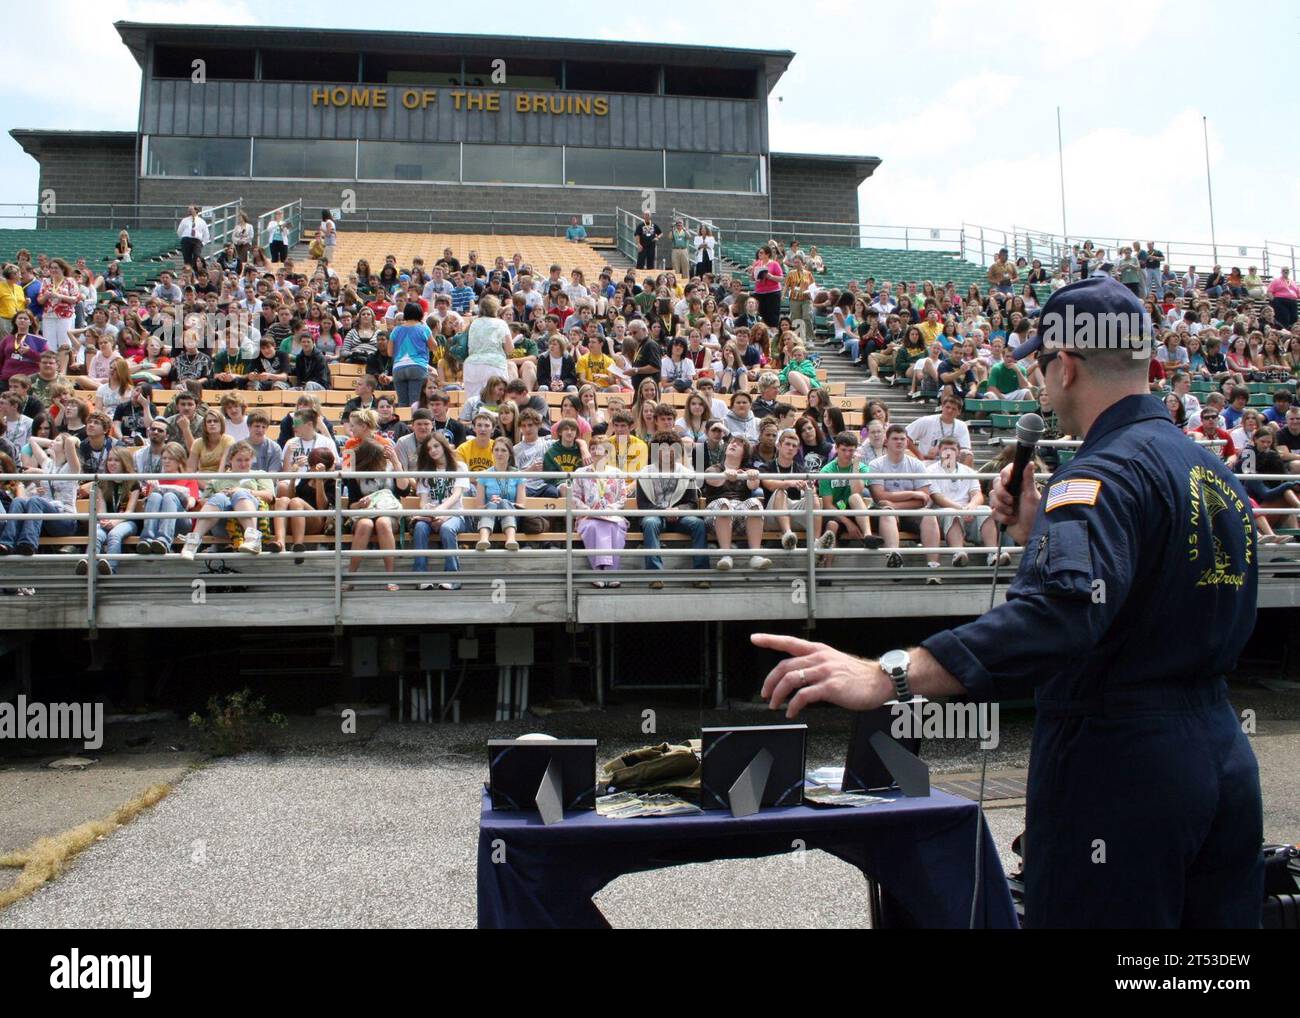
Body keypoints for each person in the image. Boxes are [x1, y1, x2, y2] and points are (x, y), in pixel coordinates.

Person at [755, 276, 1263, 929]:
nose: (1040, 386)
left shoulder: (1095, 475)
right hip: (1221, 759)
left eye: (1042, 367)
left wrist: (893, 674)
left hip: (1122, 766)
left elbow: (1058, 615)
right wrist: (1035, 534)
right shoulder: (1211, 472)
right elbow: (1140, 593)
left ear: (1068, 364)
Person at [637, 434, 710, 587]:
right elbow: (643, 505)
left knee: (698, 524)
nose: (666, 452)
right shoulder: (644, 473)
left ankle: (701, 575)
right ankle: (655, 576)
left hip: (680, 518)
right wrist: (664, 511)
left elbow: (692, 503)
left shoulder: (687, 474)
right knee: (649, 522)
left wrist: (677, 510)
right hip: (656, 516)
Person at [410, 433, 471, 590]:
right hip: (432, 516)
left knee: (447, 528)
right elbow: (423, 501)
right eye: (429, 448)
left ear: (444, 446)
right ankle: (420, 576)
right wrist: (428, 512)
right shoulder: (425, 471)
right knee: (420, 528)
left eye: (436, 446)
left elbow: (456, 496)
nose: (433, 451)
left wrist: (441, 513)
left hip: (455, 514)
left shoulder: (459, 467)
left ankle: (453, 577)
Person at [703, 434, 771, 572]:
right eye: (732, 442)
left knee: (755, 502)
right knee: (724, 503)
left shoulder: (746, 470)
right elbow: (712, 480)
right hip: (715, 515)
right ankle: (725, 555)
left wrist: (753, 475)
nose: (733, 444)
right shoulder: (715, 468)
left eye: (739, 444)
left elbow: (753, 485)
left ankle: (756, 556)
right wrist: (727, 473)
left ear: (744, 454)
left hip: (739, 514)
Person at [571, 433, 628, 587]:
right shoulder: (580, 473)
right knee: (594, 527)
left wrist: (610, 509)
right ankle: (599, 572)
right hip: (588, 517)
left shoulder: (617, 473)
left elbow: (623, 497)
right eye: (593, 448)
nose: (596, 451)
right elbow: (574, 497)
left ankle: (611, 572)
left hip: (612, 516)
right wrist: (588, 510)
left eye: (601, 449)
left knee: (613, 527)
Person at [474, 436, 524, 552]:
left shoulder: (518, 474)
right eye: (496, 450)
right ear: (492, 452)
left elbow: (521, 504)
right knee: (491, 505)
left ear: (510, 454)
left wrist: (503, 503)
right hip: (491, 520)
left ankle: (511, 539)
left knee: (505, 502)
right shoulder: (484, 475)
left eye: (503, 450)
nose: (499, 454)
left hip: (513, 520)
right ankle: (483, 539)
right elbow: (479, 507)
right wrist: (492, 502)